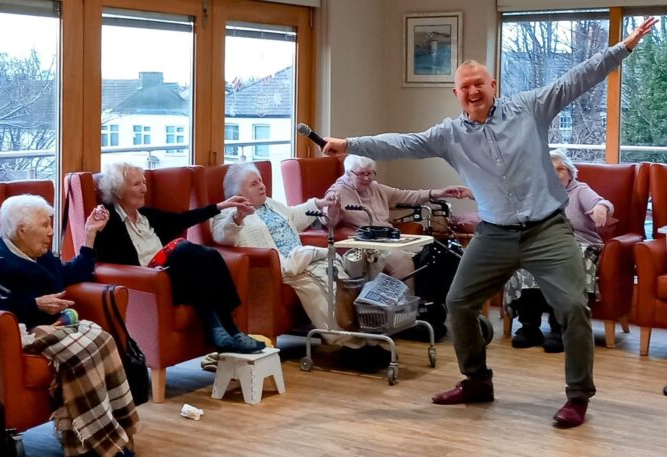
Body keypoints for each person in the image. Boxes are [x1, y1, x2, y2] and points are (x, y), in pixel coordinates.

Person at [322, 17, 657, 428]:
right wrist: (350, 144)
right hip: (494, 234)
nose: (473, 90)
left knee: (572, 306)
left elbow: (575, 80)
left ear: (494, 85)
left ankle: (578, 396)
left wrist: (622, 47)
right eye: (465, 86)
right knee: (458, 303)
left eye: (479, 82)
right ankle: (477, 380)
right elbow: (402, 142)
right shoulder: (448, 135)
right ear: (457, 94)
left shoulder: (529, 107)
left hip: (546, 229)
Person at [0, 194, 137, 457]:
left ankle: (117, 430)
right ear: (21, 229)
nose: (51, 231)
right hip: (20, 333)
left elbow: (71, 273)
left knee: (103, 340)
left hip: (57, 325)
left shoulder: (39, 254)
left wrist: (90, 235)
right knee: (80, 353)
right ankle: (96, 444)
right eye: (45, 225)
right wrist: (34, 304)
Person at [212, 163, 390, 364]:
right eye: (254, 184)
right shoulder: (228, 213)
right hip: (283, 266)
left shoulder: (270, 204)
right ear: (238, 193)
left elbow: (294, 215)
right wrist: (237, 217)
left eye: (261, 180)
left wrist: (320, 203)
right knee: (320, 284)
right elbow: (223, 236)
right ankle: (349, 343)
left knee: (339, 278)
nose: (262, 186)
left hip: (303, 259)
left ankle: (364, 337)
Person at [94, 162, 265, 354]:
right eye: (136, 184)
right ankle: (217, 326)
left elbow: (182, 219)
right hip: (150, 283)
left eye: (144, 182)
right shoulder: (109, 222)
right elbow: (102, 259)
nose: (144, 189)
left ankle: (229, 329)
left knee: (211, 255)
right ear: (118, 190)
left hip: (177, 275)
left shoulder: (145, 216)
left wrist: (221, 206)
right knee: (185, 251)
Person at [505, 148, 613, 353]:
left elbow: (602, 202)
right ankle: (529, 327)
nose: (555, 173)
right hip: (544, 245)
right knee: (526, 263)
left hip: (580, 244)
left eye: (560, 169)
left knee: (564, 264)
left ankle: (559, 329)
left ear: (570, 173)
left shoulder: (580, 190)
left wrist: (601, 208)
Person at [327, 153, 471, 289]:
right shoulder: (337, 192)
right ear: (348, 173)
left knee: (441, 251)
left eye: (369, 173)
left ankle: (435, 305)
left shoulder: (375, 188)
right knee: (402, 261)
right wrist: (333, 209)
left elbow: (406, 195)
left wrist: (439, 193)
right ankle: (405, 310)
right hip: (366, 246)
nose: (366, 178)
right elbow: (327, 220)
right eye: (361, 174)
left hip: (388, 239)